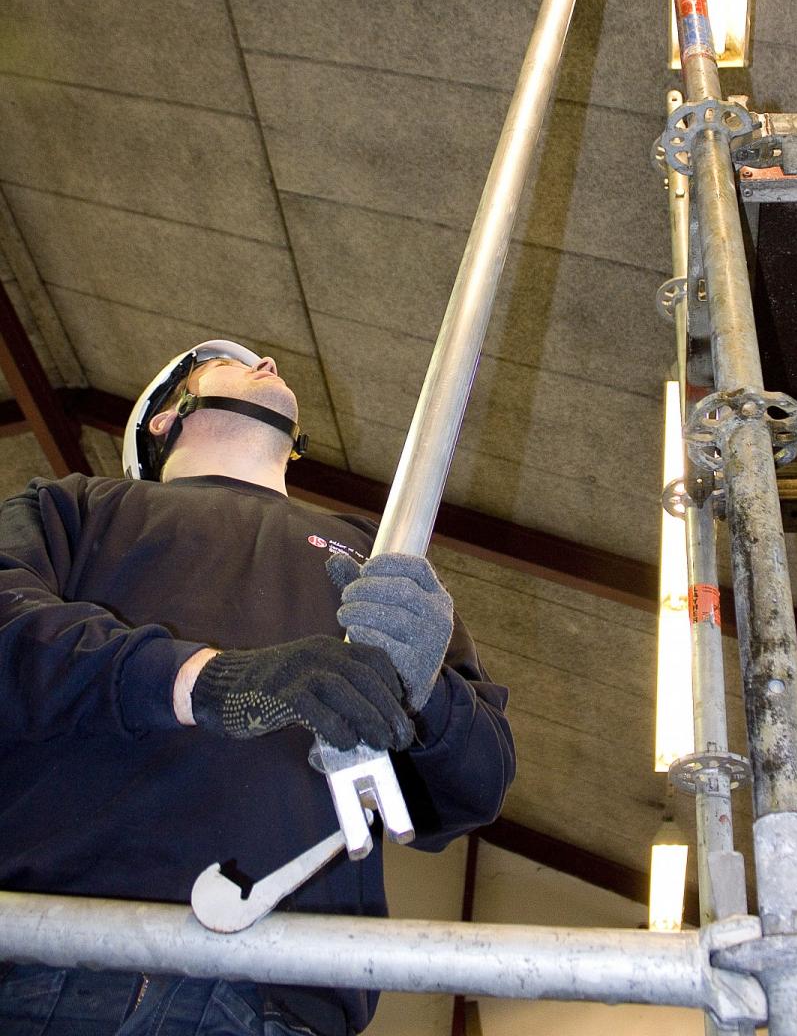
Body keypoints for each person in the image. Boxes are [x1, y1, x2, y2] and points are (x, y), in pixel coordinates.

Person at [0, 339, 516, 1036]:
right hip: (50, 963)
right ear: (164, 417)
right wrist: (201, 680)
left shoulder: (382, 559)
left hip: (283, 1000)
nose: (269, 364)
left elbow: (476, 784)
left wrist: (426, 691)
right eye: (229, 362)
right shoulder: (74, 508)